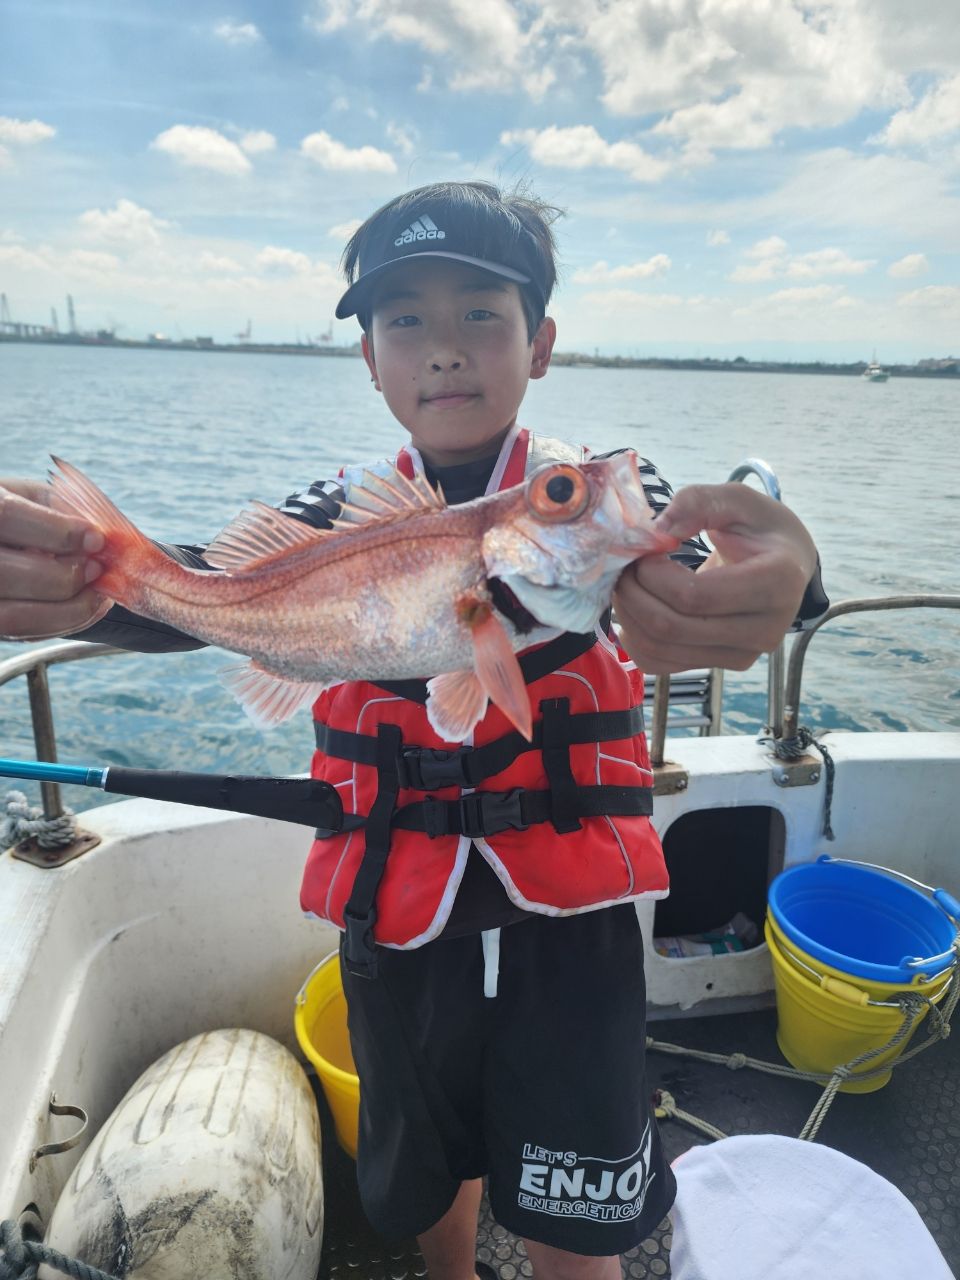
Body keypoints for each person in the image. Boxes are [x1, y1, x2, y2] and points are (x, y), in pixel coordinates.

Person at [0, 181, 823, 1280]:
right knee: (426, 1171)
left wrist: (796, 583)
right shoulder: (338, 504)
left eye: (482, 311)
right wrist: (83, 575)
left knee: (581, 1223)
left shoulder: (593, 494)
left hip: (569, 930)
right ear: (370, 361)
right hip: (398, 919)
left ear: (541, 343)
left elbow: (717, 565)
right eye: (405, 320)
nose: (444, 348)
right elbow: (204, 588)